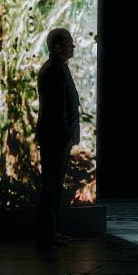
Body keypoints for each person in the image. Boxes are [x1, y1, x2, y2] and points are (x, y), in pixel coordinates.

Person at [35, 28, 80, 250]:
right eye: (69, 43)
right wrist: (67, 136)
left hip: (57, 137)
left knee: (53, 188)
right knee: (51, 188)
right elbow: (57, 110)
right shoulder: (54, 70)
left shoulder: (57, 68)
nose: (73, 46)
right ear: (58, 47)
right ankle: (48, 234)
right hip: (57, 138)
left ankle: (52, 232)